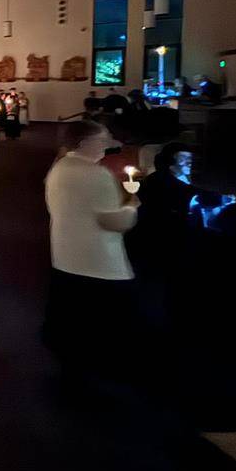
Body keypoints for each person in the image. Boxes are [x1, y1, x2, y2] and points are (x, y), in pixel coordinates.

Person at [43, 120, 141, 383]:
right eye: (102, 139)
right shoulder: (96, 174)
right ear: (85, 142)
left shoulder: (59, 167)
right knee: (99, 325)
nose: (107, 144)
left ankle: (72, 370)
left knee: (72, 322)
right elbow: (115, 221)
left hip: (65, 256)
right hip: (98, 262)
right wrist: (132, 205)